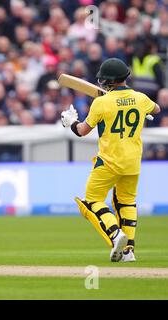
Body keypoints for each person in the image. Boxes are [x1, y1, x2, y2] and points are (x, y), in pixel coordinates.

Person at [61, 58, 160, 262]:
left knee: (92, 200)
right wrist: (145, 112)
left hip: (109, 161)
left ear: (108, 81)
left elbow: (82, 131)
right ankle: (129, 250)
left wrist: (71, 122)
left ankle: (115, 234)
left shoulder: (101, 102)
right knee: (127, 202)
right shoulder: (141, 98)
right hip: (133, 162)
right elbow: (157, 109)